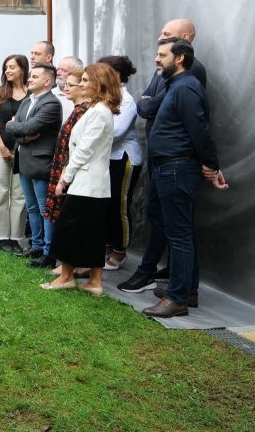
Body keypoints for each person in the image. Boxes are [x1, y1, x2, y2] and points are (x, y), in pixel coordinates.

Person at [130, 39, 227, 317]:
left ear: (180, 58)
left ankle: (178, 298)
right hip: (169, 168)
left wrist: (211, 165)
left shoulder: (186, 88)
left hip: (177, 169)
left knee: (180, 236)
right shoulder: (176, 86)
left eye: (162, 55)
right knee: (182, 233)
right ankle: (187, 291)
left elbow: (200, 131)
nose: (156, 60)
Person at [41, 63, 122, 294]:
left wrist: (65, 179)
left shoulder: (99, 112)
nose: (81, 84)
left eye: (86, 80)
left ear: (99, 83)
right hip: (93, 183)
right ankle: (94, 282)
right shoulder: (99, 109)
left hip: (87, 182)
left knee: (67, 229)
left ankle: (67, 277)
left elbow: (84, 150)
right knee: (93, 232)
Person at [5, 63, 62, 267]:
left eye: (34, 76)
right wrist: (23, 135)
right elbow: (18, 128)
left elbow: (28, 126)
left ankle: (48, 252)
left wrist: (16, 127)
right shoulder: (28, 100)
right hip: (24, 159)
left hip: (41, 162)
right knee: (31, 207)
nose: (29, 79)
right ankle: (36, 246)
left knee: (44, 208)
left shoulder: (51, 104)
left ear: (47, 81)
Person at [97, 55, 142, 271]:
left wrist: (91, 131)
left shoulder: (126, 100)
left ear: (116, 74)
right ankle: (106, 245)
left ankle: (120, 251)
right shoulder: (103, 96)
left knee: (120, 206)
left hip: (124, 158)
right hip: (106, 158)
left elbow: (115, 132)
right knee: (106, 205)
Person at [42, 68, 90, 252]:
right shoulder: (76, 110)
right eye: (65, 84)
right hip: (62, 168)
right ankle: (61, 258)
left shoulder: (85, 111)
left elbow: (78, 147)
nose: (66, 88)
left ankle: (69, 261)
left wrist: (65, 175)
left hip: (70, 171)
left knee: (70, 217)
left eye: (70, 85)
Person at [0, 54, 28, 252]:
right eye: (6, 68)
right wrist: (2, 147)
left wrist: (16, 149)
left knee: (19, 194)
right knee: (0, 192)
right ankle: (2, 236)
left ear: (22, 69)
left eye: (12, 67)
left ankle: (16, 236)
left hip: (23, 150)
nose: (7, 71)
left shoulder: (31, 94)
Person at [54, 56, 83, 120]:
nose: (58, 73)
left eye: (63, 70)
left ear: (75, 73)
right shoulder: (50, 94)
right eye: (57, 69)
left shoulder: (85, 98)